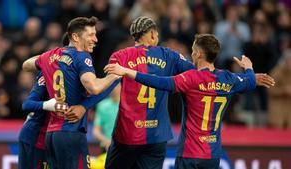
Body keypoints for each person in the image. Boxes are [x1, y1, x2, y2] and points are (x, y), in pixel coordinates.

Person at [104, 16, 274, 169]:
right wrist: (250, 70)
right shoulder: (228, 79)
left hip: (188, 153)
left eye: (193, 50)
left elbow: (162, 83)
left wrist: (128, 72)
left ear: (199, 53)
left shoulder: (190, 78)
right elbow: (248, 81)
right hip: (213, 156)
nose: (191, 54)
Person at [21, 16, 119, 169]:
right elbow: (94, 88)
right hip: (70, 131)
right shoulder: (82, 57)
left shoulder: (49, 57)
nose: (95, 39)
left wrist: (49, 58)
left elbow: (26, 65)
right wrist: (116, 75)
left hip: (51, 135)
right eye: (91, 35)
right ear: (75, 37)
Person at [19, 72, 119, 169]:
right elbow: (27, 104)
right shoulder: (47, 71)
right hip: (36, 137)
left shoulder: (81, 72)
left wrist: (84, 107)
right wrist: (47, 105)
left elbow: (97, 91)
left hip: (59, 135)